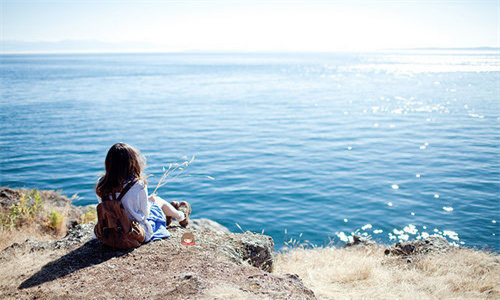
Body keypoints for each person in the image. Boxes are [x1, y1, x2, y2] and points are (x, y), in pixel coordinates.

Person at [95, 142, 191, 243]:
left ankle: (171, 215)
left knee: (152, 202)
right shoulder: (138, 185)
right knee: (157, 201)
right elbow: (145, 214)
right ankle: (181, 216)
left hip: (108, 233)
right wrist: (149, 200)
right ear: (132, 162)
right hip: (133, 232)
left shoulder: (101, 184)